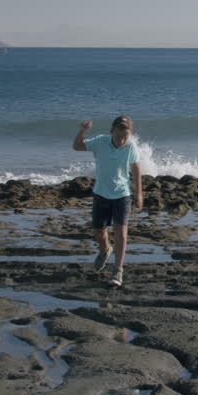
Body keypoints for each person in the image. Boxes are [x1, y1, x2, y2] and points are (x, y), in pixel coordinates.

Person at [72, 115, 142, 287]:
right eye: (119, 135)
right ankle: (105, 250)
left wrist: (139, 193)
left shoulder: (131, 146)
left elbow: (136, 168)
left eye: (125, 136)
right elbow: (77, 146)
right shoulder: (100, 142)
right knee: (98, 231)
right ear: (112, 131)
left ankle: (118, 270)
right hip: (101, 193)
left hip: (122, 194)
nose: (122, 140)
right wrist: (83, 130)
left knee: (121, 233)